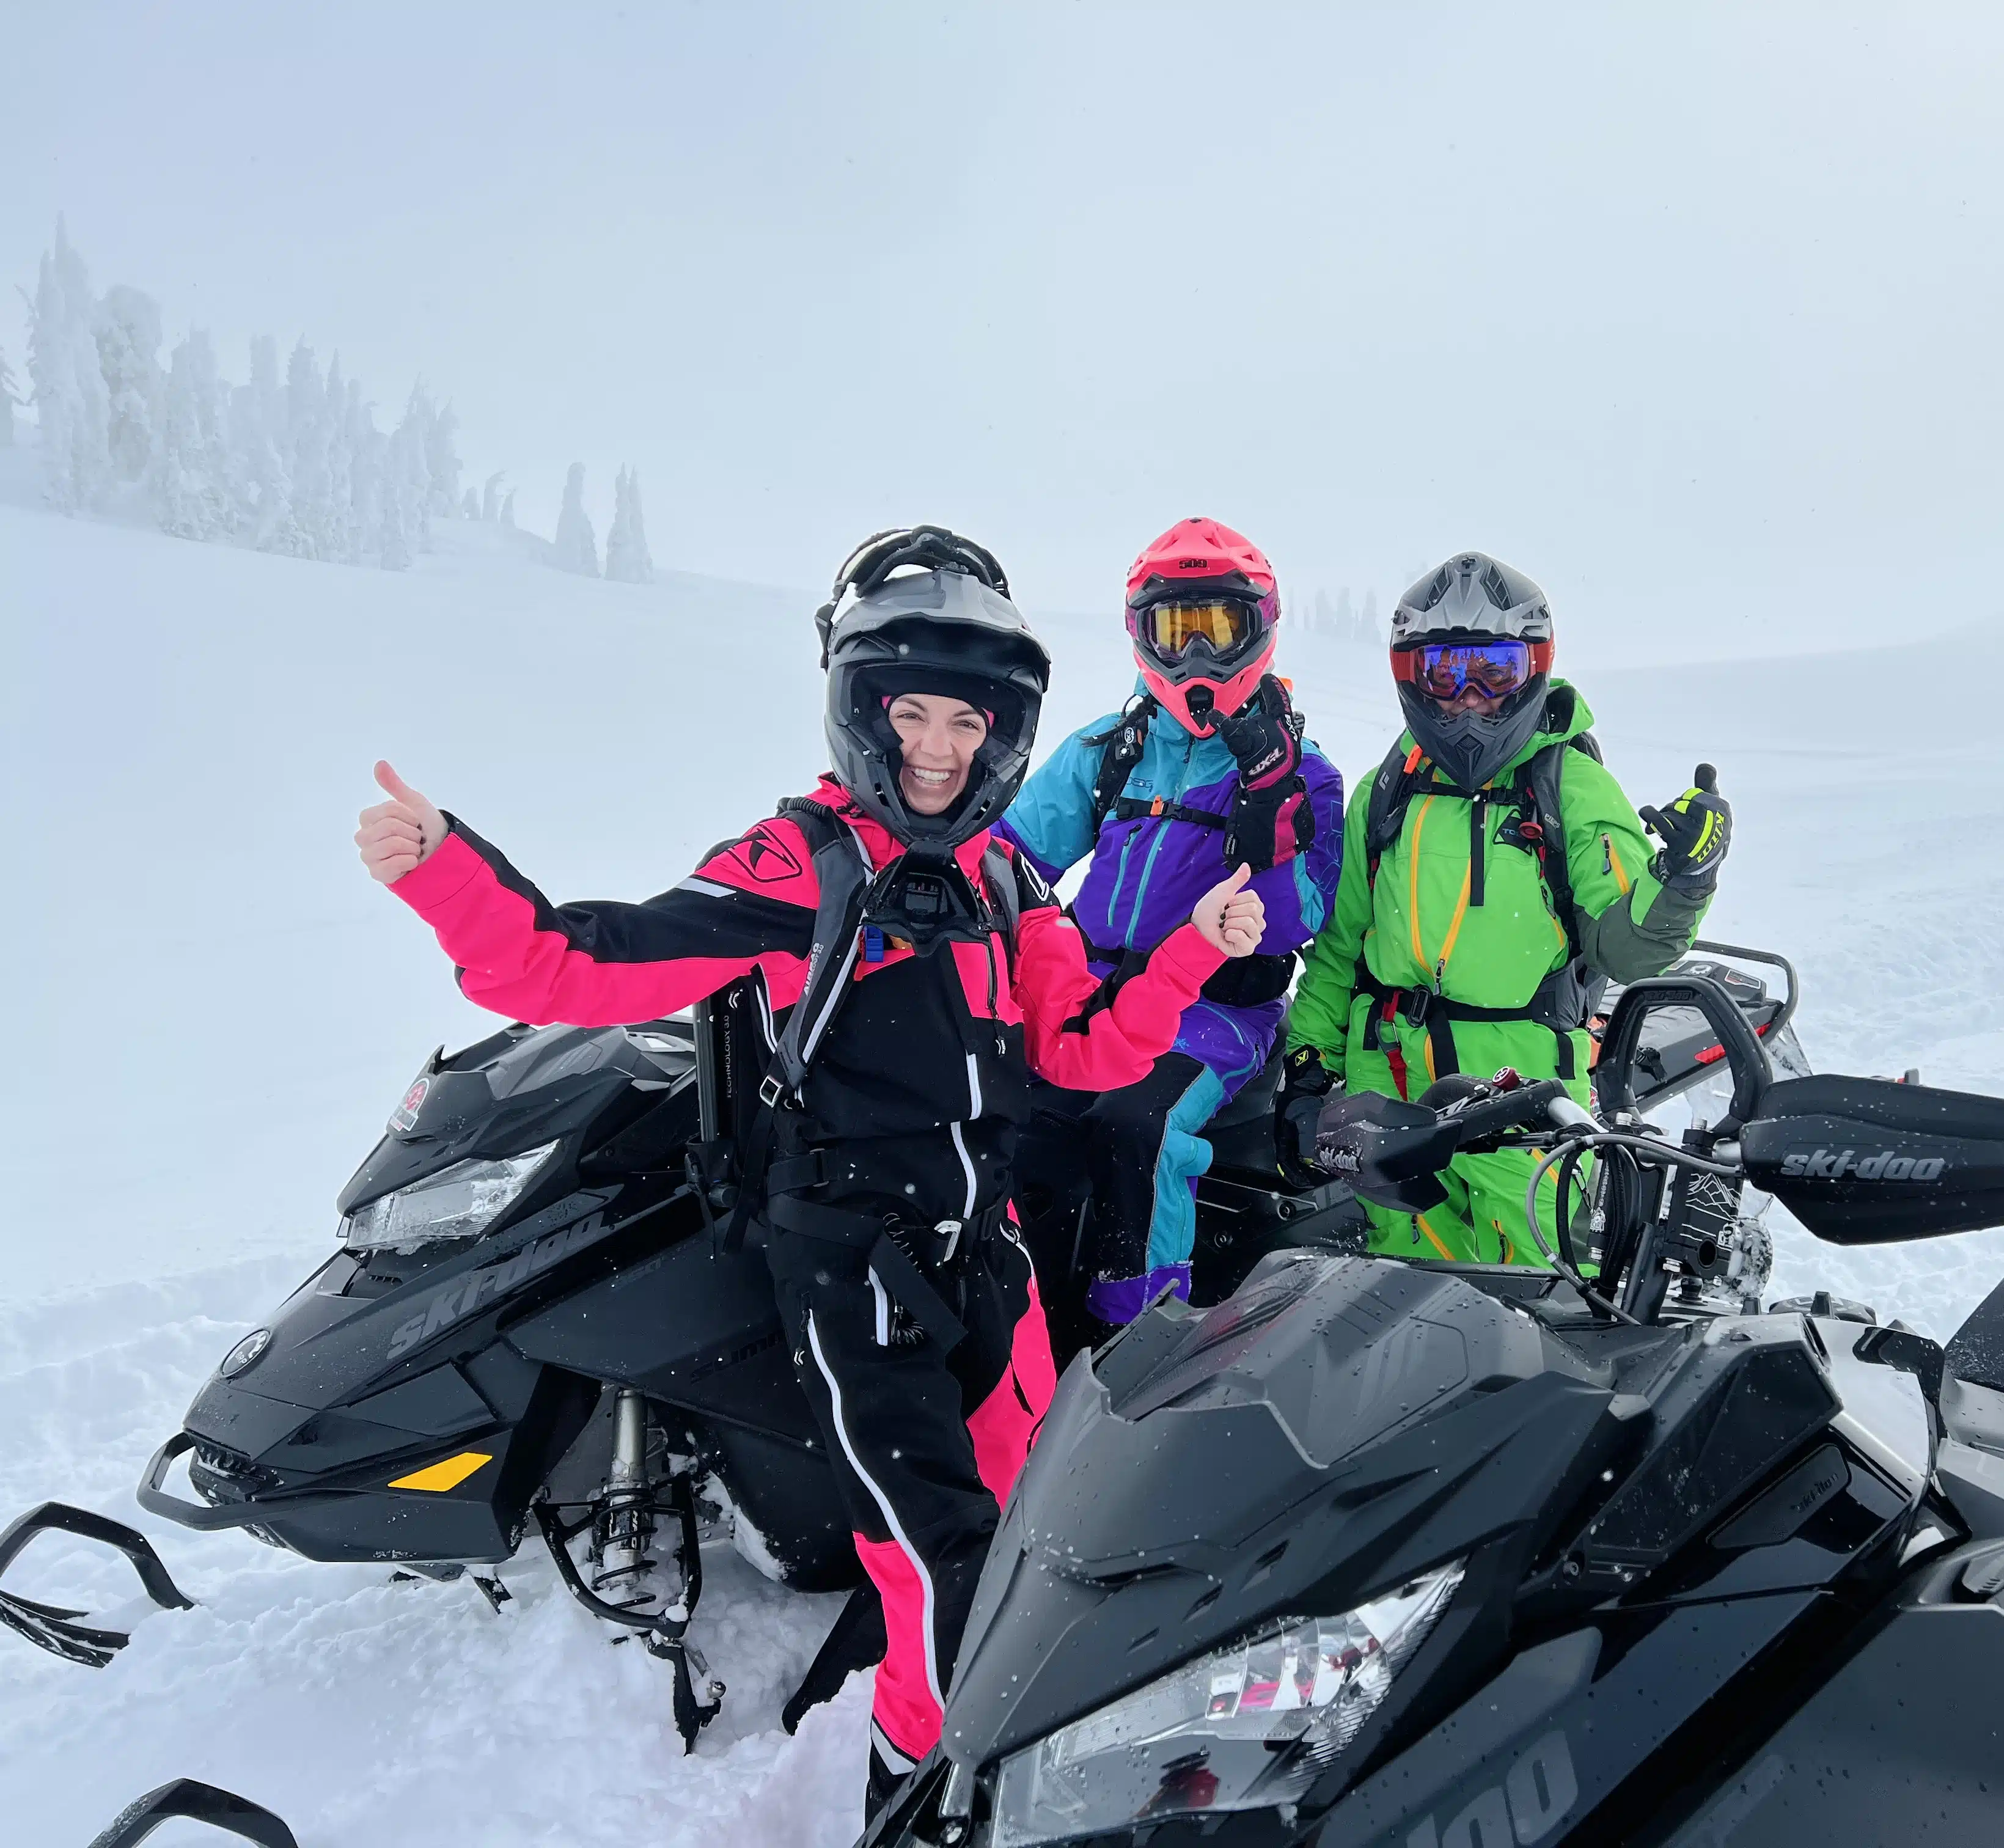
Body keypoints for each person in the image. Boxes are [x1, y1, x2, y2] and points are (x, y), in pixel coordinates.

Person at [353, 527, 1266, 1811]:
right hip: (856, 1270)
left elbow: (1082, 1058)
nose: (937, 748)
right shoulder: (805, 865)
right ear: (859, 713)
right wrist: (452, 874)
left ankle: (932, 1757)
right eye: (910, 714)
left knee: (1046, 1531)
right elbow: (571, 965)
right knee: (937, 1565)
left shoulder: (1008, 881)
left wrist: (1185, 959)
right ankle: (951, 1799)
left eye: (966, 721)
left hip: (984, 1254)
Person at [1280, 551, 1733, 1263]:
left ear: (1533, 669)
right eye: (1446, 674)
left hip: (1519, 1090)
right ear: (1412, 678)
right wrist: (1306, 1065)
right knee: (1396, 1287)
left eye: (1494, 673)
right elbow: (1341, 947)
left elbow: (1627, 946)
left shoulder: (1570, 788)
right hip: (1387, 1084)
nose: (1468, 699)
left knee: (1540, 1285)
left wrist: (1682, 881)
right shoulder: (1387, 792)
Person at [996, 517, 1344, 1354]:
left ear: (1257, 630)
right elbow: (1008, 854)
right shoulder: (1110, 750)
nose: (1196, 658)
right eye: (1175, 631)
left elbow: (1299, 915)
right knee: (1005, 1113)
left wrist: (1273, 806)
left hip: (1218, 1011)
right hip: (1090, 992)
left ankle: (1139, 1337)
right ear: (1140, 634)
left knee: (1138, 1124)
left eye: (1218, 630)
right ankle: (1011, 1315)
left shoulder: (1307, 772)